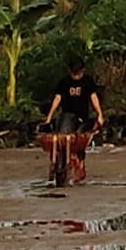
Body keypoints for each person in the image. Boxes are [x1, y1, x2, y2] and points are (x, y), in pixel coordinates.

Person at [39, 60, 107, 190]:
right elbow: (57, 99)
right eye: (74, 74)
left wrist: (99, 114)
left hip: (82, 117)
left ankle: (79, 165)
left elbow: (93, 98)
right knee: (60, 139)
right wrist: (48, 118)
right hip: (67, 115)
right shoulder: (64, 82)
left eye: (78, 73)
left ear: (83, 71)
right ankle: (55, 166)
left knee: (79, 141)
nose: (76, 76)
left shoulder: (88, 81)